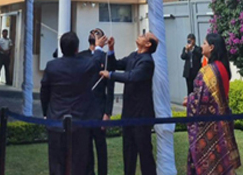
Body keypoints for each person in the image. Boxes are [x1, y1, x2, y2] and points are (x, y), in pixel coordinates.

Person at [41, 30, 108, 175]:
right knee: (79, 164)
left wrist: (46, 113)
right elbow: (97, 61)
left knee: (57, 163)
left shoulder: (52, 66)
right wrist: (98, 47)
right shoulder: (84, 65)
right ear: (77, 49)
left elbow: (44, 91)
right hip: (80, 122)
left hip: (56, 121)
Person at [99, 32, 158, 175]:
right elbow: (116, 64)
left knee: (145, 153)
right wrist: (111, 49)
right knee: (128, 153)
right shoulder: (134, 55)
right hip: (129, 113)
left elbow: (132, 77)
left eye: (144, 35)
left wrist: (111, 75)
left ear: (148, 44)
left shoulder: (147, 61)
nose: (140, 35)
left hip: (142, 115)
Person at [185, 33, 241, 175]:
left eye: (204, 43)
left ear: (211, 47)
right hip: (223, 121)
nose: (202, 46)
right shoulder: (222, 67)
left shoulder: (208, 71)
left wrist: (190, 100)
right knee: (221, 161)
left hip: (209, 125)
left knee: (208, 164)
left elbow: (202, 100)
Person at [79, 29, 114, 175]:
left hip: (99, 109)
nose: (94, 35)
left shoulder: (106, 59)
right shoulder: (81, 56)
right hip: (84, 110)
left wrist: (107, 112)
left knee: (101, 147)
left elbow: (110, 88)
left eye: (98, 33)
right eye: (92, 33)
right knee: (85, 148)